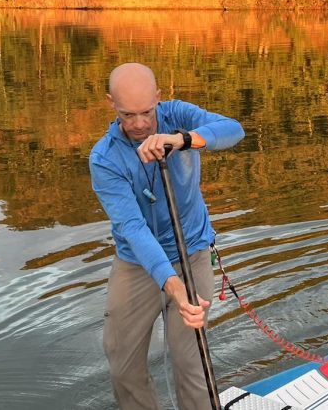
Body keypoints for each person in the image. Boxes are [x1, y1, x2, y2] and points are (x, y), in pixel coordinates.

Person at [89, 62, 245, 410]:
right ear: (110, 103)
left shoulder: (177, 115)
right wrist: (171, 284)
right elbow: (132, 229)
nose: (141, 124)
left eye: (146, 111)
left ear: (158, 98)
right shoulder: (104, 158)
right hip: (137, 263)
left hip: (191, 252)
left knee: (190, 363)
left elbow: (234, 130)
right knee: (123, 365)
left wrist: (183, 140)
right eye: (128, 115)